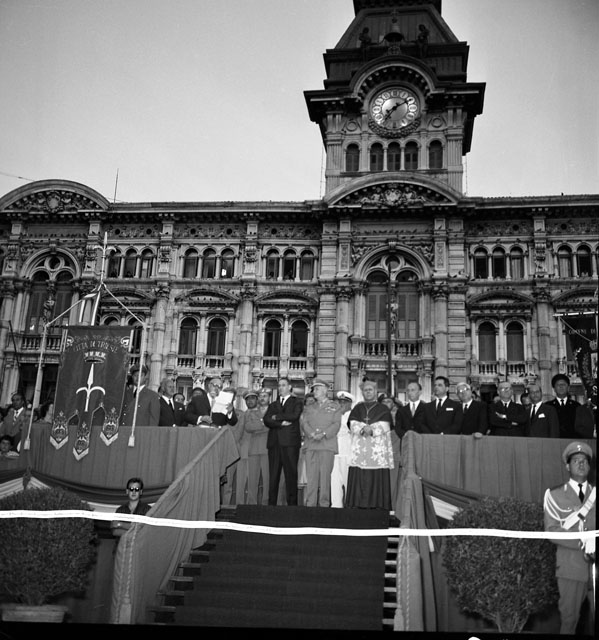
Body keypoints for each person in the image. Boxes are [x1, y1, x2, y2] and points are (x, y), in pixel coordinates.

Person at [543, 442, 595, 635]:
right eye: (576, 461)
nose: (581, 464)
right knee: (569, 621)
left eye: (584, 461)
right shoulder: (554, 495)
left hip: (596, 568)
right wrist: (584, 541)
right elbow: (552, 531)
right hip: (570, 567)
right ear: (567, 466)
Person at [345, 379, 394, 510]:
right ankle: (357, 505)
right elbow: (352, 423)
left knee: (376, 476)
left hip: (377, 449)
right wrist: (362, 429)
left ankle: (378, 506)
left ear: (375, 391)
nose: (368, 392)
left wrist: (372, 430)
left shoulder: (383, 408)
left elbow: (386, 424)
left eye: (370, 390)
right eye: (365, 390)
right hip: (360, 448)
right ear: (362, 392)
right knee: (359, 473)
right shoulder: (357, 408)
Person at [299, 379, 342, 508]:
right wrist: (312, 434)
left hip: (326, 445)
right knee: (311, 477)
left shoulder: (335, 406)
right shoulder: (309, 407)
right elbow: (304, 423)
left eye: (317, 389)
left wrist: (323, 434)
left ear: (325, 390)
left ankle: (324, 505)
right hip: (311, 444)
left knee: (325, 478)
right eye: (314, 389)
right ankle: (310, 505)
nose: (314, 391)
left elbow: (336, 424)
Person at [263, 377, 303, 506]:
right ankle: (272, 505)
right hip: (274, 443)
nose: (280, 388)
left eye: (283, 385)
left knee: (291, 474)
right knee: (273, 475)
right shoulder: (273, 404)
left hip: (290, 443)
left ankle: (292, 505)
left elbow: (294, 416)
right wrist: (280, 423)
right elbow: (267, 420)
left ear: (289, 387)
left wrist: (276, 417)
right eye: (279, 385)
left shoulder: (297, 401)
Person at [244, 389, 271, 506]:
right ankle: (251, 504)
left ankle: (266, 503)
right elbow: (248, 427)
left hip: (268, 449)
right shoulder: (251, 413)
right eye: (260, 396)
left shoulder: (272, 411)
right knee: (252, 479)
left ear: (269, 397)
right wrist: (264, 424)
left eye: (265, 396)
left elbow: (272, 426)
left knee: (267, 479)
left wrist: (259, 426)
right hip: (253, 449)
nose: (262, 398)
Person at [546, 374, 594, 439]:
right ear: (554, 388)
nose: (561, 387)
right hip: (554, 441)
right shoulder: (548, 406)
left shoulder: (577, 406)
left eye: (563, 384)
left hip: (573, 441)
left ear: (568, 387)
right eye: (558, 385)